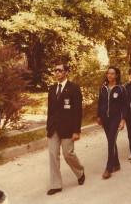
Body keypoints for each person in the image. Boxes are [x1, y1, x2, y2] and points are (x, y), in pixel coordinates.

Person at [46, 63, 85, 195]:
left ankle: (80, 172)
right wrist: (48, 127)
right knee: (53, 154)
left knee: (68, 154)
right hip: (53, 128)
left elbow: (77, 111)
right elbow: (50, 111)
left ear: (66, 72)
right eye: (55, 70)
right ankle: (56, 184)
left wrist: (76, 130)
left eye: (60, 70)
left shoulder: (74, 88)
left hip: (68, 128)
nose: (57, 72)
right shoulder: (51, 89)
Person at [97, 66, 126, 179]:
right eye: (108, 73)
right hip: (105, 119)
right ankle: (117, 164)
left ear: (117, 75)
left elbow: (124, 105)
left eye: (112, 73)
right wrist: (99, 116)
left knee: (110, 141)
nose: (110, 75)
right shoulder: (103, 88)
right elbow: (100, 103)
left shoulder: (121, 88)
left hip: (116, 118)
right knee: (111, 140)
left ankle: (108, 168)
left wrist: (123, 120)